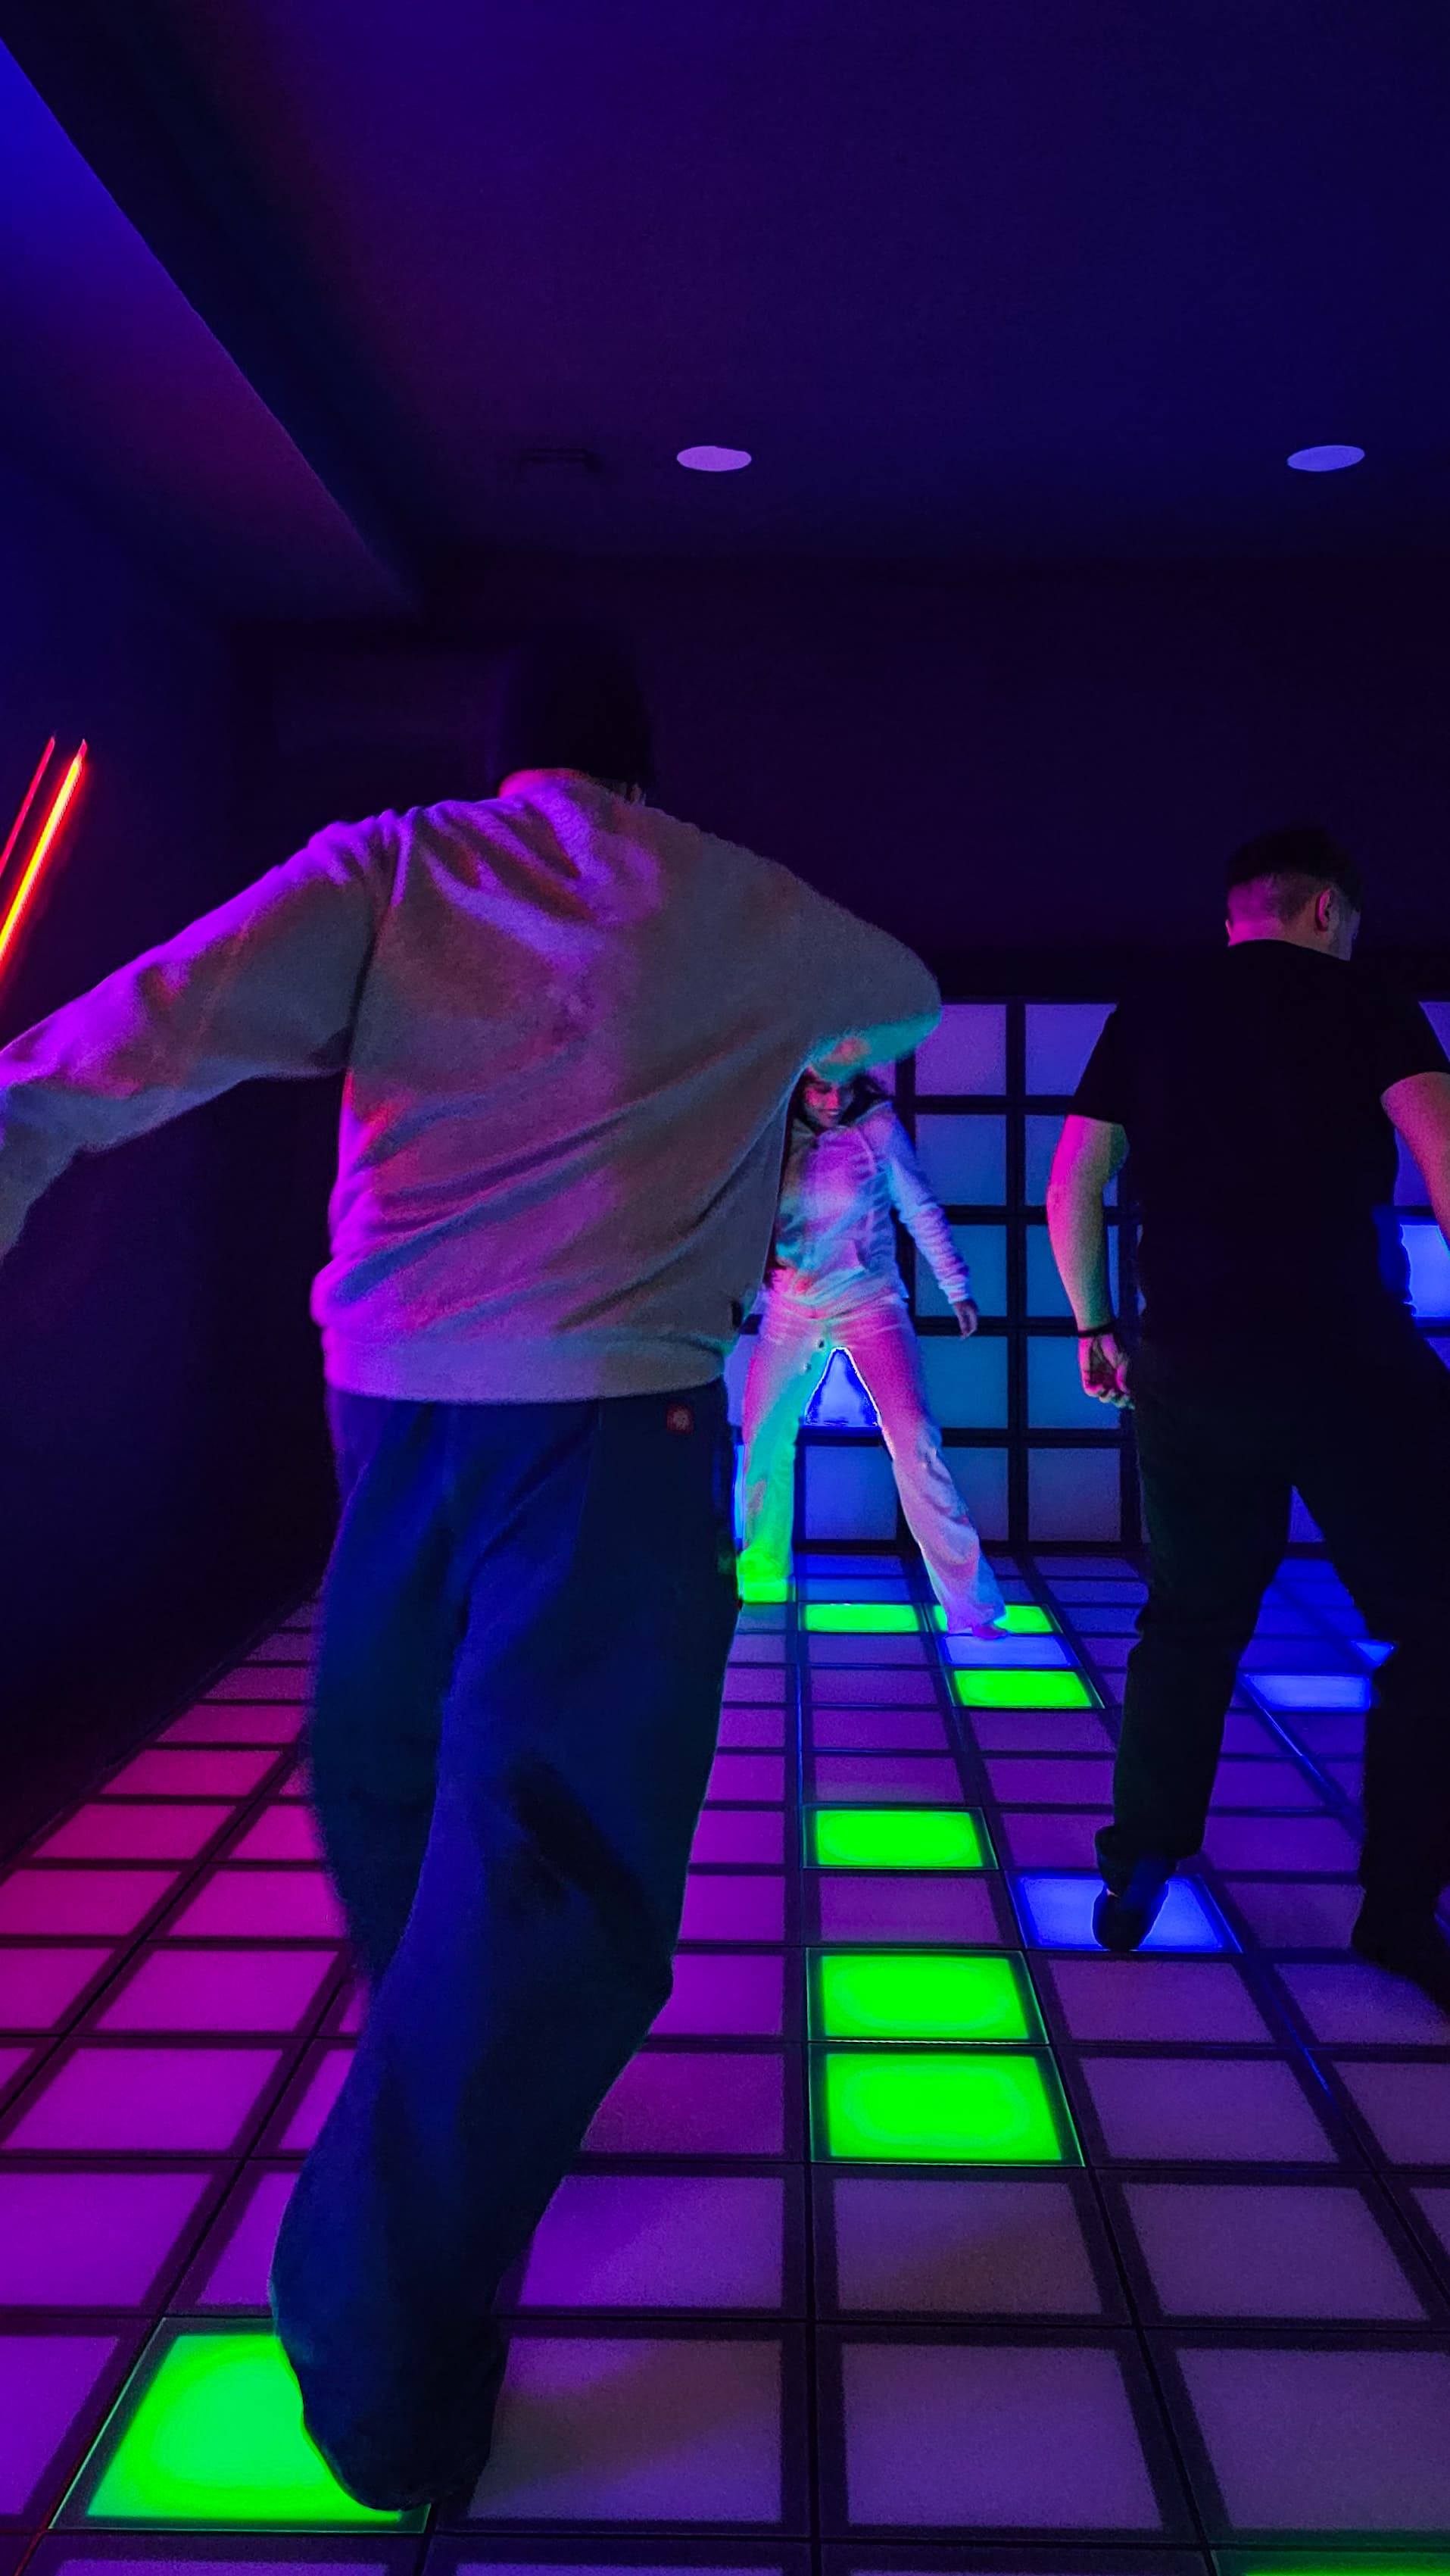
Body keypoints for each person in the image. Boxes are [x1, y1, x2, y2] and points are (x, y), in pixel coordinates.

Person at [0, 632, 942, 2507]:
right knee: (558, 1855)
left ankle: (440, 2117)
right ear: (643, 766)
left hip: (392, 1412)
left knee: (393, 1780)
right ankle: (373, 2298)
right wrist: (749, 1047)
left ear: (497, 757)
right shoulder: (736, 899)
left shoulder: (396, 862)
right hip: (613, 1425)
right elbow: (900, 993)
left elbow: (149, 1022)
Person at [1046, 825, 1450, 2003]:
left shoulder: (1152, 1007)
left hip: (1187, 1359)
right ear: (1325, 910)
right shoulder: (1366, 1001)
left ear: (1236, 914)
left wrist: (1092, 1326)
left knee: (1189, 1617)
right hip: (1345, 1361)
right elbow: (1441, 1150)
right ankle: (1394, 1908)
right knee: (1432, 1624)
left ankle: (1139, 1863)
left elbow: (1073, 1178)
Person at [737, 1065, 1004, 1630]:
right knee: (761, 1436)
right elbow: (736, 1213)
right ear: (796, 1080)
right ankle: (760, 1570)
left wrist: (955, 1284)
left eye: (844, 1085)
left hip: (869, 1301)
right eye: (818, 1086)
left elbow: (919, 1206)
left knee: (913, 1440)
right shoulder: (771, 1128)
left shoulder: (877, 1128)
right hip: (790, 1304)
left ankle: (970, 1602)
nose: (833, 1100)